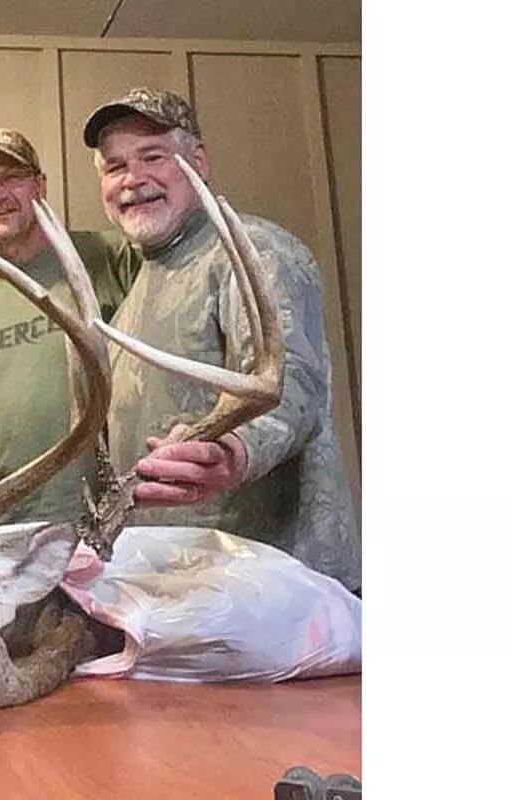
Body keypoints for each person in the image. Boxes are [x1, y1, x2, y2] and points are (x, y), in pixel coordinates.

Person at [83, 87, 361, 590]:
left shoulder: (254, 252)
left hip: (275, 590)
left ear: (200, 162)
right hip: (179, 589)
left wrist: (234, 449)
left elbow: (291, 384)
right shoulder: (132, 302)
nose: (133, 179)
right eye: (115, 166)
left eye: (153, 157)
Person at [0, 128, 139, 525]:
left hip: (114, 517)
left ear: (40, 185)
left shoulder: (110, 258)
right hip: (15, 526)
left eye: (12, 178)